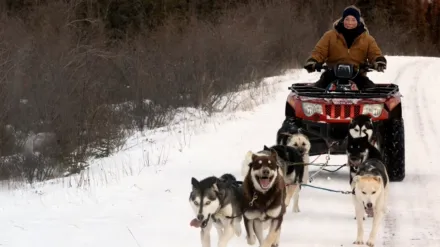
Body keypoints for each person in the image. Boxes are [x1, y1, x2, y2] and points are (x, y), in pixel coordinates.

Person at [304, 5, 387, 89]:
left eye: (353, 20)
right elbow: (319, 51)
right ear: (343, 20)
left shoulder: (367, 39)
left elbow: (374, 53)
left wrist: (379, 61)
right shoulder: (330, 36)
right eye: (347, 19)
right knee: (316, 90)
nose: (349, 22)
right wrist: (313, 61)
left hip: (357, 74)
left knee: (372, 92)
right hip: (332, 73)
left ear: (358, 21)